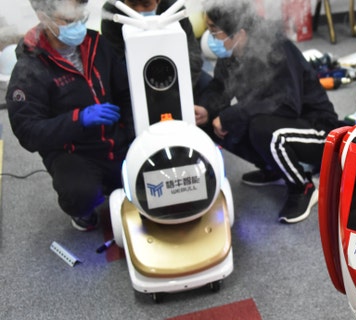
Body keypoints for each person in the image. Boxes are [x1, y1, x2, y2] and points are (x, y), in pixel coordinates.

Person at [198, 0, 343, 224]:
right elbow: (219, 88)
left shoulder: (276, 48)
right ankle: (273, 166)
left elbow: (285, 104)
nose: (210, 38)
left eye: (214, 31)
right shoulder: (232, 55)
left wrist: (229, 117)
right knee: (212, 123)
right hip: (278, 124)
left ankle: (302, 187)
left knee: (259, 127)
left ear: (240, 33)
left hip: (318, 131)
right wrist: (206, 109)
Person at [6, 0, 135, 231]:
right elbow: (28, 132)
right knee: (82, 194)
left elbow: (126, 94)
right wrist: (79, 119)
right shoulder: (30, 68)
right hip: (76, 153)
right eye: (67, 20)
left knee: (148, 177)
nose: (77, 26)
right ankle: (82, 210)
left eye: (80, 17)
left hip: (117, 141)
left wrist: (132, 133)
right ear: (43, 17)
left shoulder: (98, 44)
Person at [101, 0, 209, 103]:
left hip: (175, 68)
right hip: (133, 74)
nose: (139, 10)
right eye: (133, 5)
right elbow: (115, 63)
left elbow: (192, 52)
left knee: (207, 88)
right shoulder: (112, 12)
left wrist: (179, 90)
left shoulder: (174, 8)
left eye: (146, 4)